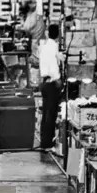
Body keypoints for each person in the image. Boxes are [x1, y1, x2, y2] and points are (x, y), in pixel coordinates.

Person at [37, 23, 63, 153]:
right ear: (58, 33)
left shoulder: (45, 46)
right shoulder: (53, 46)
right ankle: (48, 144)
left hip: (44, 83)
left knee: (46, 113)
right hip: (51, 83)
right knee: (50, 115)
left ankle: (44, 142)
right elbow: (53, 65)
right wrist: (58, 78)